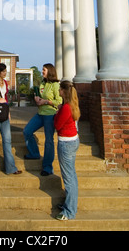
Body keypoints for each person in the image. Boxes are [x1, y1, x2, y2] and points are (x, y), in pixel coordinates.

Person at [23, 63, 62, 176]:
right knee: (27, 131)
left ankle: (47, 167)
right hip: (40, 113)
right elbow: (41, 97)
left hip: (50, 115)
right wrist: (37, 99)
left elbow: (59, 102)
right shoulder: (42, 83)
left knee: (49, 141)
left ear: (49, 71)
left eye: (44, 70)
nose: (42, 71)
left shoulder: (55, 85)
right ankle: (34, 153)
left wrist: (46, 102)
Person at [54, 79, 80, 221]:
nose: (58, 91)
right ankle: (69, 204)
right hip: (73, 140)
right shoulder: (72, 104)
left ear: (64, 91)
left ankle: (69, 212)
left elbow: (57, 125)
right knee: (72, 175)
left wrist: (57, 112)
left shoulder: (65, 108)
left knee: (69, 178)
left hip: (66, 143)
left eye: (60, 89)